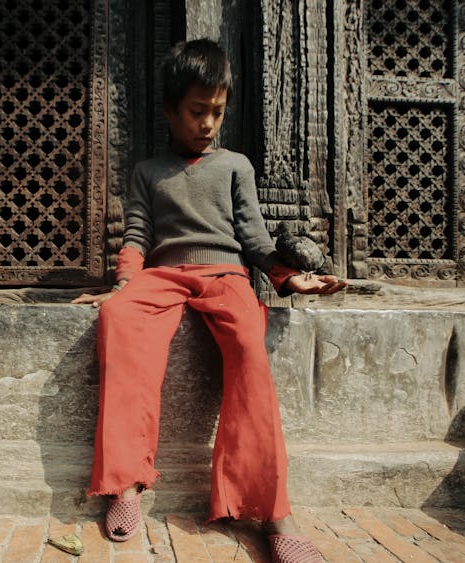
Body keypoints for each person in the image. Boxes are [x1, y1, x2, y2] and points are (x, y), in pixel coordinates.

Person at [72, 39, 347, 562]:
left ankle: (273, 511)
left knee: (249, 346)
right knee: (117, 317)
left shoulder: (236, 166)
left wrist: (288, 279)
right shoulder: (148, 172)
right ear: (171, 110)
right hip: (164, 274)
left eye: (216, 112)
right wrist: (124, 284)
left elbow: (256, 240)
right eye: (197, 111)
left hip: (226, 275)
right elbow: (136, 235)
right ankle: (127, 483)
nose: (207, 123)